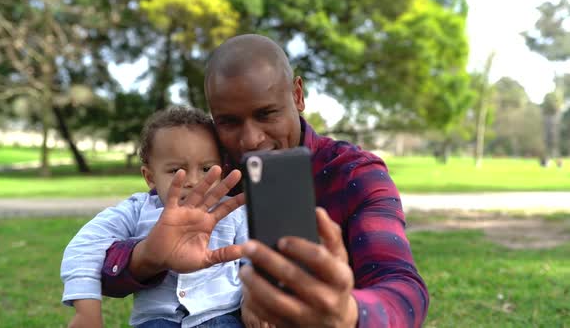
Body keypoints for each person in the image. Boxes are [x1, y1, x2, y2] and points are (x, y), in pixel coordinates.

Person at [101, 34, 429, 327]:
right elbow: (101, 270)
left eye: (266, 114)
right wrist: (146, 257)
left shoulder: (354, 174)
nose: (251, 140)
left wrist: (350, 313)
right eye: (228, 121)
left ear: (297, 95)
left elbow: (402, 287)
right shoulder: (209, 173)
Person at [61, 107, 252, 328]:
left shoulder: (233, 210)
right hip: (156, 321)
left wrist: (253, 300)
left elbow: (256, 260)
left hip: (221, 317)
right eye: (175, 170)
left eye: (207, 168)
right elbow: (86, 245)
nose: (193, 180)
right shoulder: (136, 210)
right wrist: (87, 312)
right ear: (150, 177)